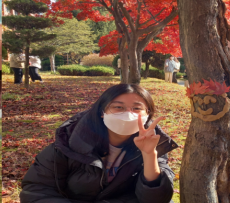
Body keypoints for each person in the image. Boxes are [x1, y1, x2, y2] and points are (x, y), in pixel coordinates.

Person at [20, 83, 178, 203]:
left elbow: (157, 199)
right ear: (103, 112)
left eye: (137, 108)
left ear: (148, 115)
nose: (128, 114)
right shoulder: (71, 141)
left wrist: (149, 154)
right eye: (118, 107)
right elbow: (36, 189)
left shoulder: (154, 143)